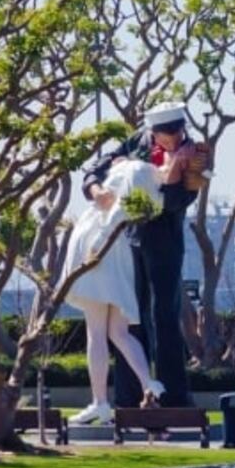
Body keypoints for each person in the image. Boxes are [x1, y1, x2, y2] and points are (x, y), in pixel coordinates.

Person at [82, 101, 208, 408]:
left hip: (165, 241)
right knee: (129, 317)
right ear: (153, 132)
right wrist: (98, 191)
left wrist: (174, 170)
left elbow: (179, 200)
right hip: (127, 241)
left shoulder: (192, 153)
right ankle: (130, 394)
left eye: (178, 132)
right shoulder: (136, 142)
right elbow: (94, 171)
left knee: (166, 315)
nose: (174, 139)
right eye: (167, 134)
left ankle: (173, 395)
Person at [65, 158, 166, 425]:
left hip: (103, 248)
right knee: (118, 333)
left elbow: (117, 212)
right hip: (116, 250)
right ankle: (148, 382)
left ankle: (100, 402)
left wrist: (98, 244)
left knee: (96, 332)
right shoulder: (150, 180)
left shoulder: (135, 170)